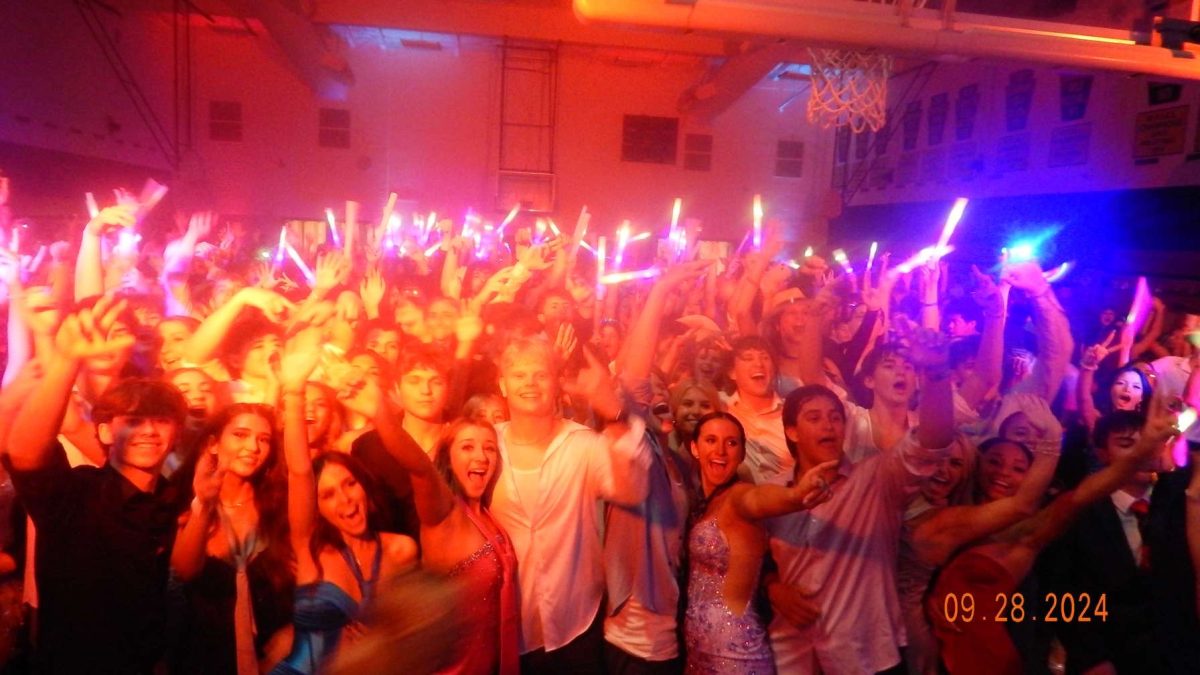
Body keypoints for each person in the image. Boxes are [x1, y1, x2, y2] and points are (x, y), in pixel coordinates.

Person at [927, 391, 1179, 675]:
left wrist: (1140, 452)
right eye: (994, 461)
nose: (1004, 472)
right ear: (976, 464)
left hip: (1009, 655)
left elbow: (1079, 497)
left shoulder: (1028, 532)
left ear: (1030, 478)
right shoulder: (942, 522)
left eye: (1019, 467)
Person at [3, 296, 188, 673]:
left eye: (161, 420)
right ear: (103, 431)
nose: (148, 430)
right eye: (132, 420)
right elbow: (23, 451)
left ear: (176, 434)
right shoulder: (77, 494)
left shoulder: (172, 498)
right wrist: (68, 362)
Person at [764, 327, 957, 674]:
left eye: (835, 417)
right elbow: (756, 561)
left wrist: (937, 374)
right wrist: (772, 587)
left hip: (866, 656)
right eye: (814, 418)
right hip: (792, 656)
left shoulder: (877, 479)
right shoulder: (774, 494)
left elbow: (935, 441)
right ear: (791, 432)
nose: (829, 425)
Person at [489, 338, 652, 674]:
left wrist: (614, 414)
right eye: (519, 375)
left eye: (540, 375)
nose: (530, 383)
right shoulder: (485, 444)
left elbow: (634, 490)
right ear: (503, 385)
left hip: (575, 624)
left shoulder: (584, 445)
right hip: (502, 626)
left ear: (556, 384)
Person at [272, 327, 418, 674]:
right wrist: (293, 391)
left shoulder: (401, 551)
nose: (345, 499)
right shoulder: (311, 551)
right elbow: (299, 472)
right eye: (327, 495)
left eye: (350, 484)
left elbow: (413, 632)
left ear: (365, 487)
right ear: (317, 507)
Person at [373, 402, 520, 675]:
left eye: (489, 448)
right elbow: (420, 470)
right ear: (448, 457)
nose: (482, 456)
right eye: (467, 447)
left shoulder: (488, 517)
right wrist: (379, 411)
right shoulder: (445, 513)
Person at [683, 412, 835, 674]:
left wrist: (796, 495)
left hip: (736, 658)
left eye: (731, 443)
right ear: (695, 448)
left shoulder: (738, 496)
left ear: (742, 453)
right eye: (710, 440)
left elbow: (758, 498)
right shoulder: (703, 504)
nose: (720, 450)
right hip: (699, 655)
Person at [171, 403, 294, 675]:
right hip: (202, 654)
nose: (253, 447)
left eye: (264, 440)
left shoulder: (280, 503)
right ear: (214, 444)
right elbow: (185, 570)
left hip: (277, 652)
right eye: (240, 435)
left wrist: (293, 630)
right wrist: (203, 504)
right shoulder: (179, 500)